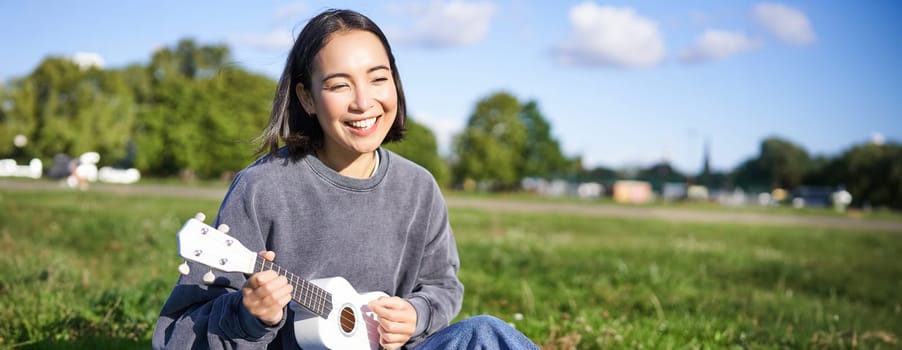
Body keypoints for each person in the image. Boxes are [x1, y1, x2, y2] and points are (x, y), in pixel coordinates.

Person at [152, 8, 539, 350]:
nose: (363, 101)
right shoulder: (263, 188)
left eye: (377, 78)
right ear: (306, 98)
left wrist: (417, 314)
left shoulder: (419, 188)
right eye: (339, 85)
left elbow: (443, 286)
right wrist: (248, 316)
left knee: (485, 332)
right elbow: (177, 336)